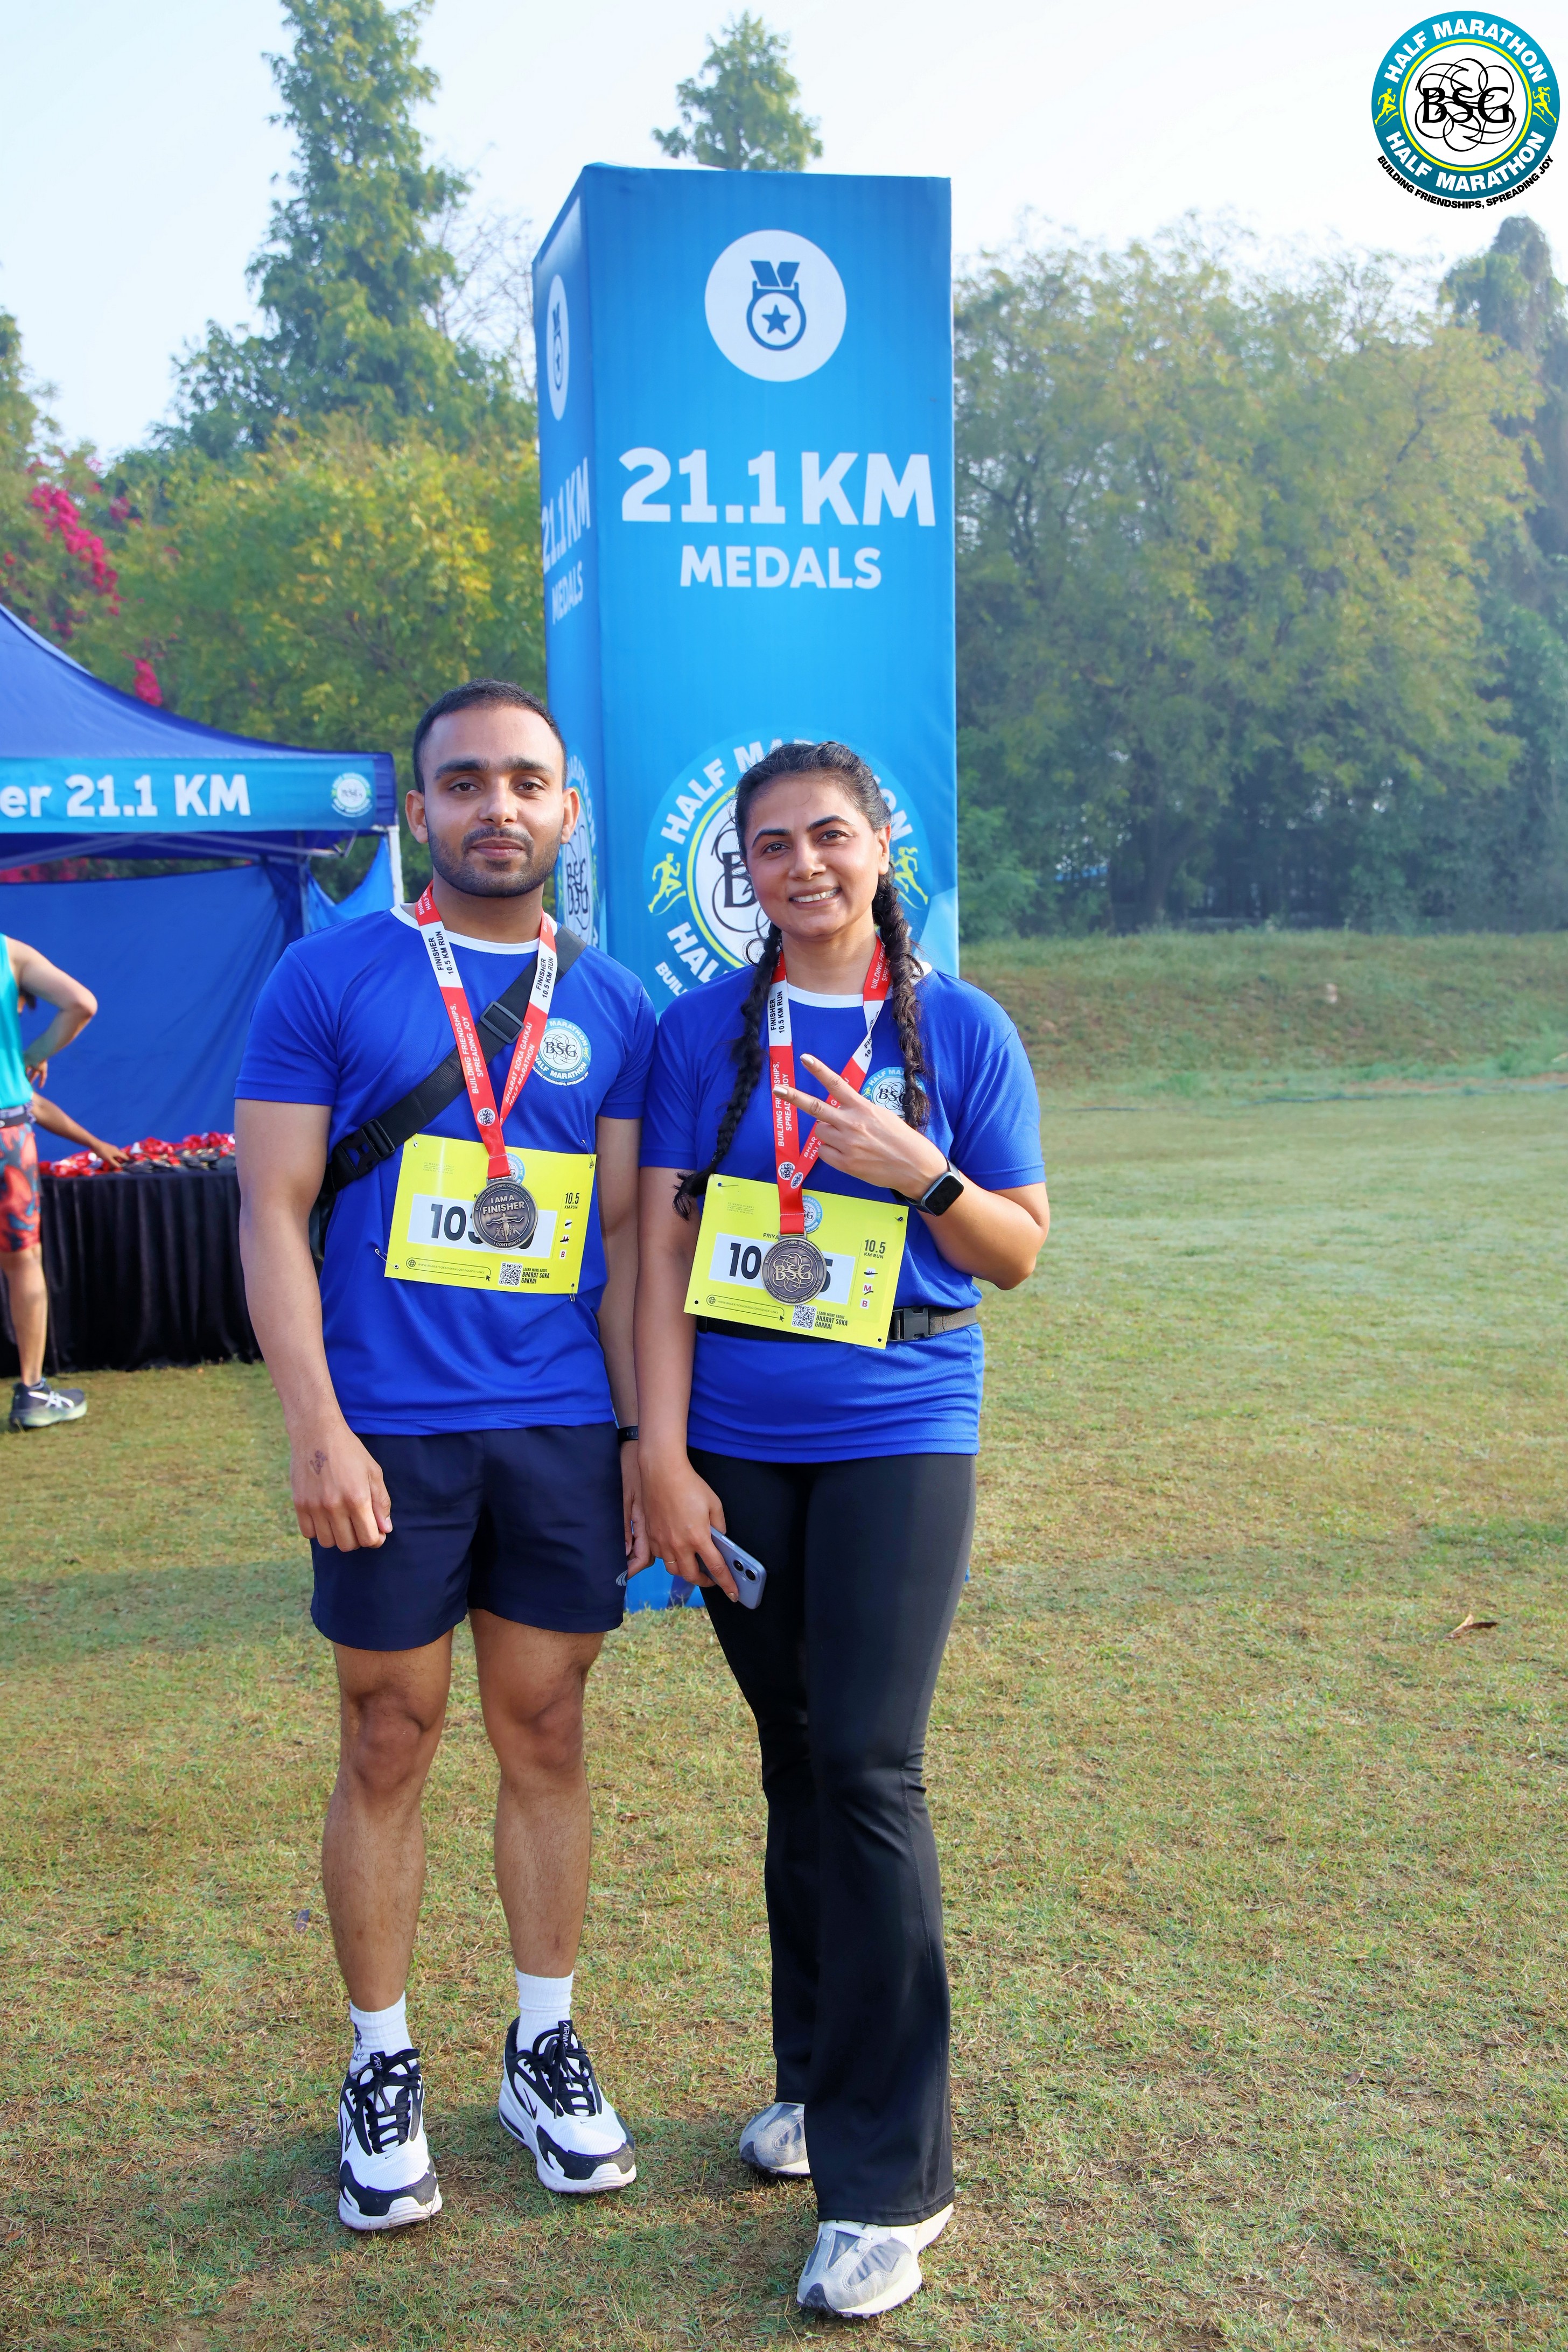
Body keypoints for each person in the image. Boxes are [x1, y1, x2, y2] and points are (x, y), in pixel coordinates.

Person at [235, 681, 656, 2234]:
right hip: (388, 1435)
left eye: (526, 781)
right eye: (464, 782)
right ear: (419, 811)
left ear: (566, 812)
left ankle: (543, 2044)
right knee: (387, 1739)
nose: (497, 806)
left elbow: (626, 1243)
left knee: (546, 1730)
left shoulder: (611, 1006)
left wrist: (635, 1442)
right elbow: (271, 1211)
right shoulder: (327, 978)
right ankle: (381, 2060)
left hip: (554, 1428)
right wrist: (316, 1427)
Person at [635, 742, 1049, 2320]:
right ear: (741, 871)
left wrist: (920, 1172)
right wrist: (660, 1459)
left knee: (870, 1764)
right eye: (771, 845)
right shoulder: (698, 1032)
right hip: (739, 1447)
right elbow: (656, 1259)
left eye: (828, 835)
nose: (803, 864)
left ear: (880, 846)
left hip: (900, 1426)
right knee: (795, 1758)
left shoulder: (962, 1028)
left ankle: (892, 2180)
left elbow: (1014, 1251)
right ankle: (816, 2078)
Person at [1, 931, 99, 1430]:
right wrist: (29, 1055)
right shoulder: (9, 952)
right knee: (23, 1261)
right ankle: (33, 1390)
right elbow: (81, 1003)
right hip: (6, 1132)